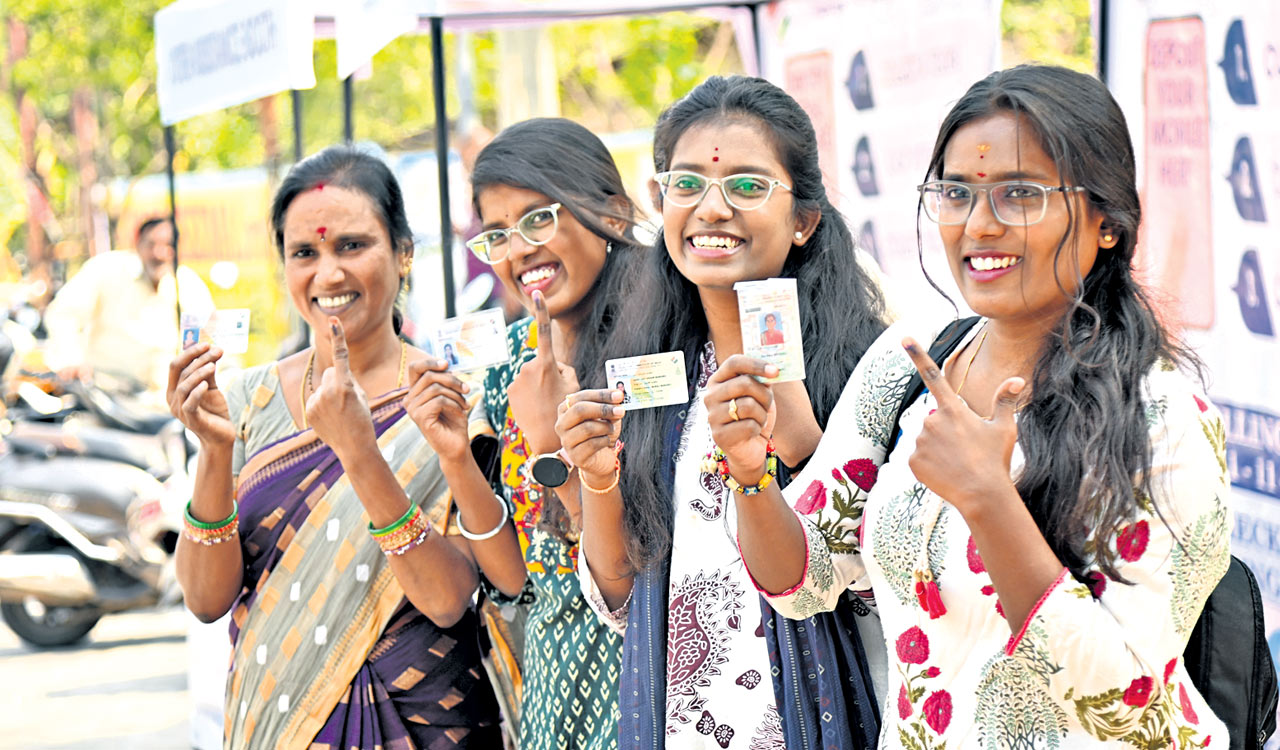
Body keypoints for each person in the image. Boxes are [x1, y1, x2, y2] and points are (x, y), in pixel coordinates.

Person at [743, 65, 1230, 747]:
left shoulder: (1162, 418)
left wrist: (988, 499)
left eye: (1021, 195)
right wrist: (750, 475)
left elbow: (1128, 706)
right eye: (956, 192)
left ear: (1108, 221)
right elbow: (805, 581)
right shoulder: (908, 364)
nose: (979, 225)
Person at [557, 76, 888, 748]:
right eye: (687, 185)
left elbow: (885, 581)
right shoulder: (652, 376)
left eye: (746, 186)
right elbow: (623, 599)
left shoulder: (870, 370)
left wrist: (803, 448)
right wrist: (595, 480)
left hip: (826, 714)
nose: (711, 209)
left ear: (804, 220)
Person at [167, 146, 501, 749]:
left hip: (419, 722)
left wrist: (360, 453)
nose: (328, 275)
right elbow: (205, 599)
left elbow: (450, 599)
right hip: (277, 721)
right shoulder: (248, 401)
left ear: (403, 254)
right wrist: (214, 452)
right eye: (305, 253)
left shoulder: (449, 399)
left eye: (351, 245)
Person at [425, 117, 638, 749]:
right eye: (497, 234)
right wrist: (457, 459)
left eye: (538, 219)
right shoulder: (508, 365)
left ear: (615, 215)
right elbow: (520, 579)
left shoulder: (656, 354)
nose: (519, 250)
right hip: (553, 687)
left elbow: (637, 574)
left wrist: (552, 445)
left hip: (646, 676)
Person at [45, 217, 215, 393]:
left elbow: (210, 334)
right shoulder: (107, 269)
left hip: (166, 399)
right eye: (151, 244)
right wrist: (71, 358)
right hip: (108, 392)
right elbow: (63, 313)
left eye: (167, 246)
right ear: (137, 244)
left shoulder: (187, 283)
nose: (159, 253)